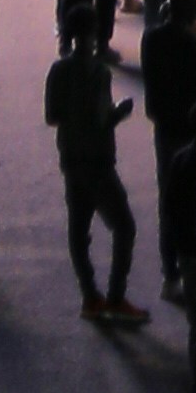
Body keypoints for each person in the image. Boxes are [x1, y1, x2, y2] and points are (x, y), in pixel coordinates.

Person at [45, 25, 141, 317]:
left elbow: (52, 116)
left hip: (71, 156)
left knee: (79, 227)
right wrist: (118, 112)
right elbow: (101, 120)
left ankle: (90, 295)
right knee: (124, 226)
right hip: (98, 159)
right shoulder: (99, 72)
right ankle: (115, 296)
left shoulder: (58, 70)